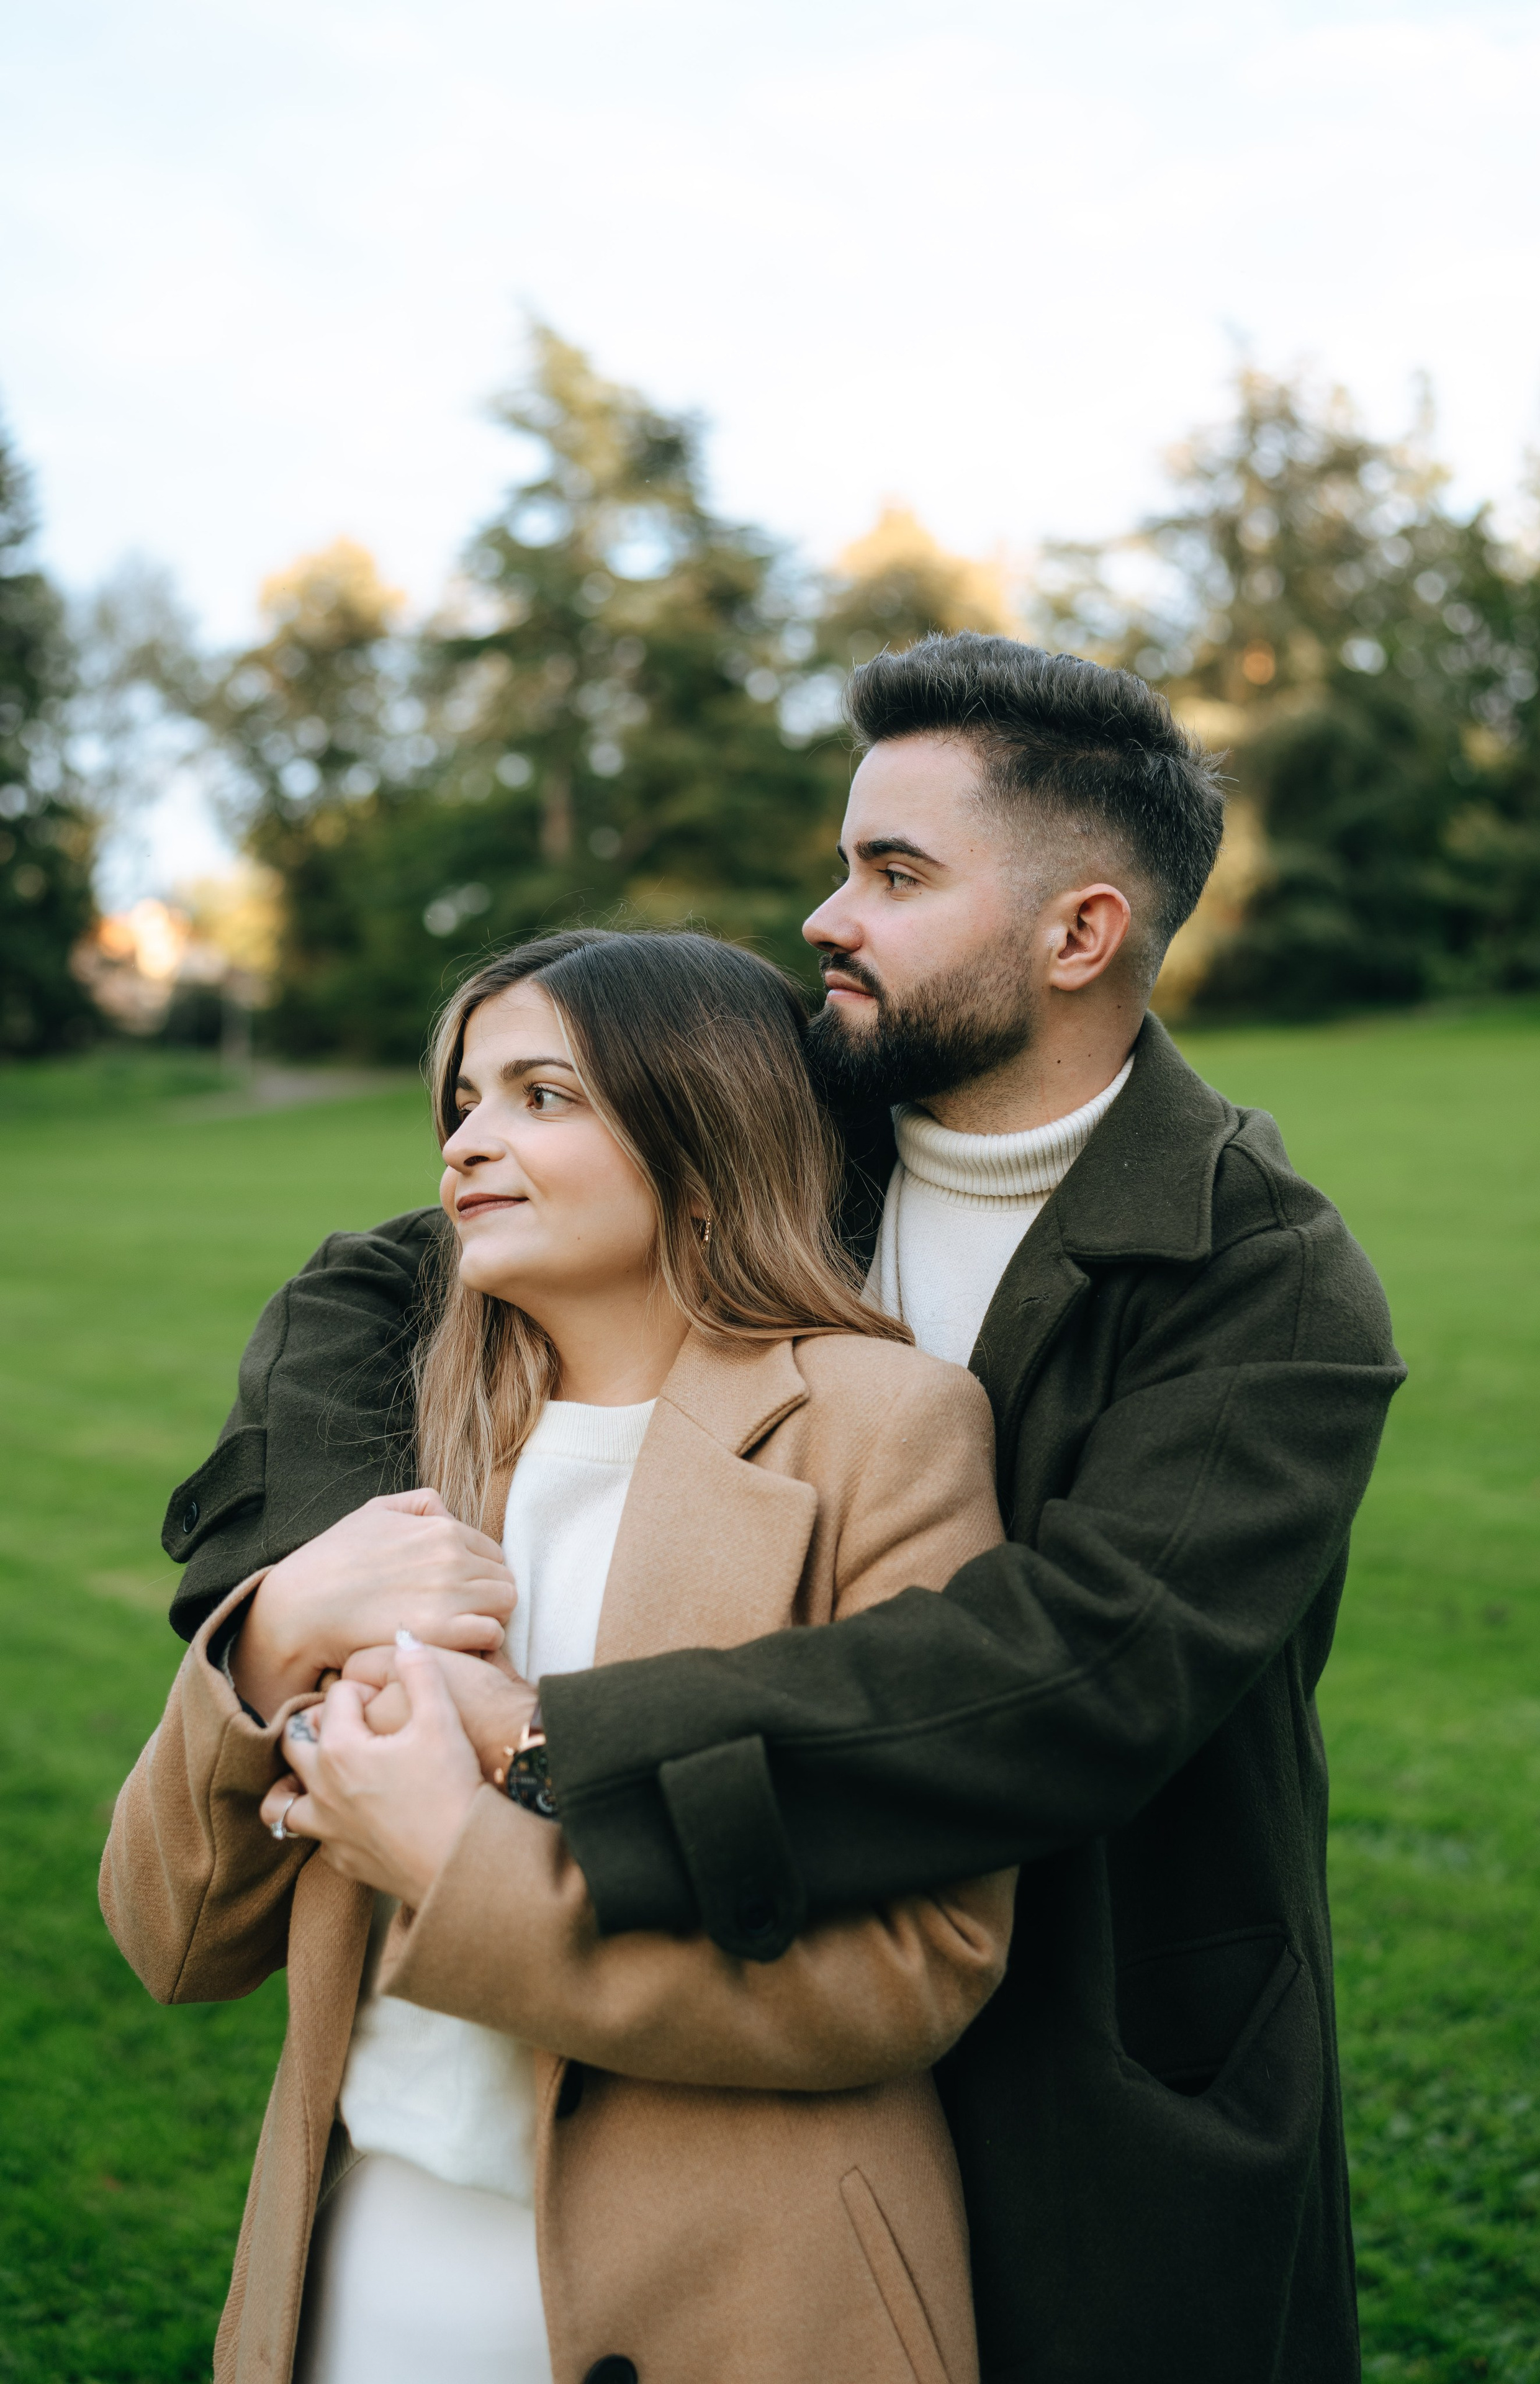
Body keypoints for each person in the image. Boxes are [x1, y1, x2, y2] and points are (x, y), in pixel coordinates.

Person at [152, 633, 1406, 2383]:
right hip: (746, 1989)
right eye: (844, 863)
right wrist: (333, 1592)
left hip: (1093, 2048)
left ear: (1079, 933)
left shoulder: (1267, 1281)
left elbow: (1080, 1675)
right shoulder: (810, 1124)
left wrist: (543, 1736)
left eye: (893, 875)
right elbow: (371, 1287)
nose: (827, 917)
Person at [102, 929, 1019, 2384]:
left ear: (705, 1141)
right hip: (362, 2278)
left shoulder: (883, 1428)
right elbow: (177, 1938)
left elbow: (917, 1964)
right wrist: (269, 1639)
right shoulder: (406, 1450)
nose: (469, 1140)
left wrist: (458, 1864)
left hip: (749, 2297)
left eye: (543, 1095)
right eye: (463, 1100)